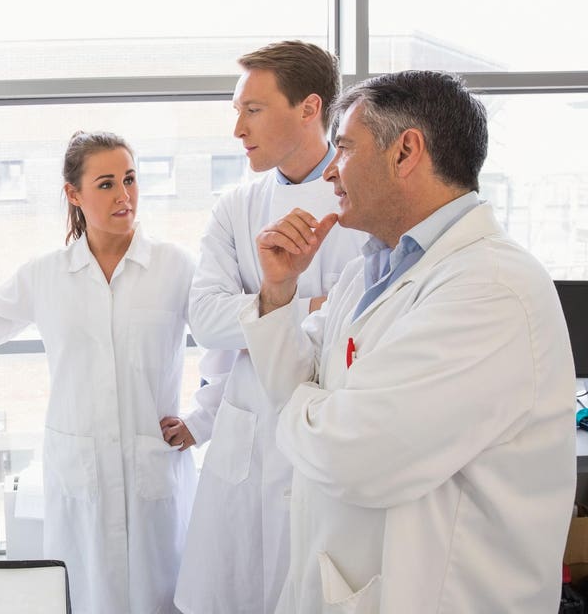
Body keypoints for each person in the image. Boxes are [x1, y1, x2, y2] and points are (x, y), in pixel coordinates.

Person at [241, 70, 576, 613]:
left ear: (405, 152)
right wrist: (280, 291)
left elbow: (358, 456)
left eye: (344, 148)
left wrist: (303, 409)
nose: (329, 171)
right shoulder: (368, 272)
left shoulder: (491, 288)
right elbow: (296, 387)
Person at [0, 131, 196, 614]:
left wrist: (201, 419)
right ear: (73, 195)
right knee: (85, 593)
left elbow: (225, 336)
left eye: (130, 179)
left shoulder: (175, 266)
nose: (124, 195)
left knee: (160, 596)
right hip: (82, 474)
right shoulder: (47, 274)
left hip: (152, 474)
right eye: (106, 184)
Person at [168, 41, 366, 614]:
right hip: (250, 435)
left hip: (334, 429)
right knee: (239, 591)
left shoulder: (362, 202)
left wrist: (264, 309)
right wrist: (317, 305)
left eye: (252, 109)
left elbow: (381, 319)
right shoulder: (236, 205)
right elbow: (205, 319)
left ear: (309, 109)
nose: (237, 129)